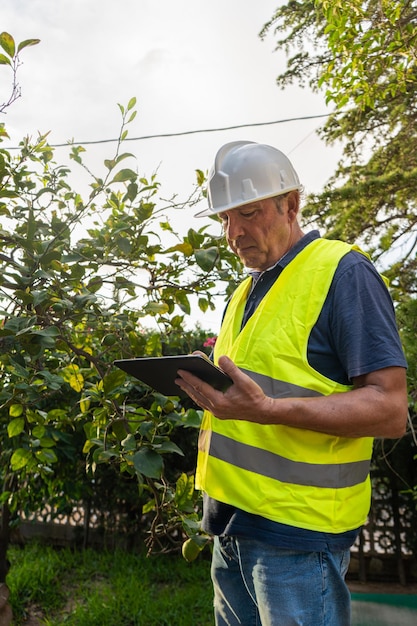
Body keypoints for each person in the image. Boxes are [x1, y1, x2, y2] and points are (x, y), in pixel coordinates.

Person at [175, 141, 408, 626]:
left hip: (297, 540)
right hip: (230, 529)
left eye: (249, 212)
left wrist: (271, 410)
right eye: (224, 219)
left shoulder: (344, 273)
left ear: (292, 204)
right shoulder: (244, 291)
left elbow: (390, 411)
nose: (233, 232)